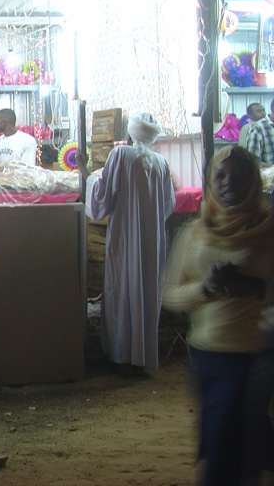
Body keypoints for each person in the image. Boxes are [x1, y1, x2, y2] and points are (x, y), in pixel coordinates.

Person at [162, 146, 274, 486]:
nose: (228, 183)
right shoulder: (196, 232)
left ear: (254, 182)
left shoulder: (269, 233)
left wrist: (255, 290)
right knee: (222, 444)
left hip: (258, 357)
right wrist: (206, 289)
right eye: (220, 176)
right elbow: (170, 296)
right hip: (209, 357)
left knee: (238, 450)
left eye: (239, 176)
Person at [76, 111, 175, 376]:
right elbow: (168, 205)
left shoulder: (120, 155)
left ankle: (121, 358)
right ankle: (141, 357)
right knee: (146, 294)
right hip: (151, 242)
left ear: (131, 131)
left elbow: (101, 196)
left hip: (123, 238)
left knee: (121, 292)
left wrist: (84, 169)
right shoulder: (161, 163)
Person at [245, 98, 274, 166]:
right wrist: (265, 167)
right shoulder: (258, 128)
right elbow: (251, 160)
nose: (262, 113)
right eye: (259, 111)